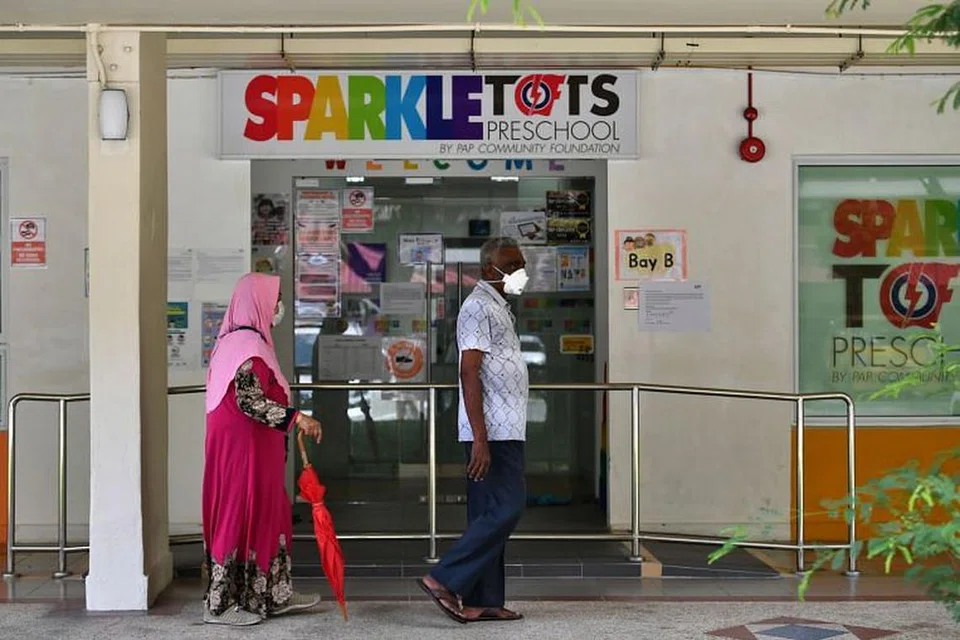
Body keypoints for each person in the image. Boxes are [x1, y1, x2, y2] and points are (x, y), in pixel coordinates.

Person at [418, 237, 529, 624]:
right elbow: (469, 369)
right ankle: (444, 577)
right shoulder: (479, 306)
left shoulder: (497, 306)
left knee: (488, 512)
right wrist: (481, 438)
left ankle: (483, 600)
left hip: (505, 427)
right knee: (509, 506)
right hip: (492, 431)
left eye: (521, 263)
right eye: (511, 264)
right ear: (488, 270)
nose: (519, 271)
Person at [202, 272, 324, 627]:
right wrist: (297, 418)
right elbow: (248, 401)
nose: (279, 306)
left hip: (257, 450)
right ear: (257, 302)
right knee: (237, 514)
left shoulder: (246, 341)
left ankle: (272, 594)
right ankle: (220, 605)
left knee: (270, 513)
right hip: (243, 452)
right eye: (275, 299)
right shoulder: (245, 346)